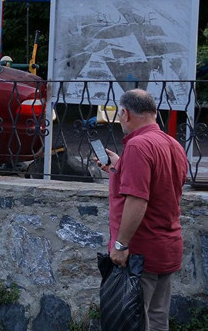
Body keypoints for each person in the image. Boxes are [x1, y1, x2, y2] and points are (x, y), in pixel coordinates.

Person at [98, 89, 188, 330]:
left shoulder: (138, 146)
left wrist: (120, 245)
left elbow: (138, 200)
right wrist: (119, 168)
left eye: (119, 115)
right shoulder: (173, 144)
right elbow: (162, 187)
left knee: (133, 321)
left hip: (140, 253)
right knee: (158, 318)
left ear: (125, 113)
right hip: (166, 246)